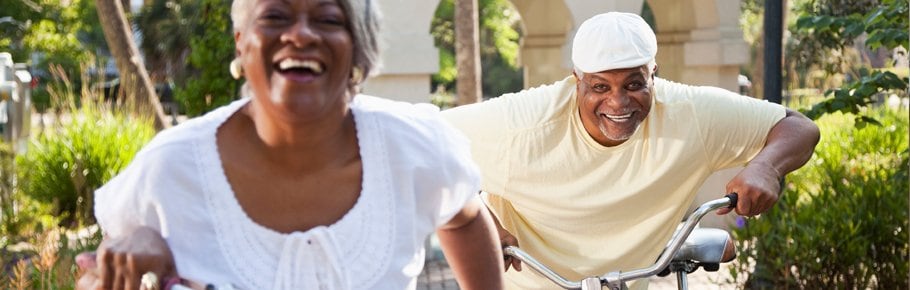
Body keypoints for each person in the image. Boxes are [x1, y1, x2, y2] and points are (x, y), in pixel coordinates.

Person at [75, 0, 504, 289]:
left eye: (329, 19)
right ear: (241, 44)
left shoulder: (414, 148)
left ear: (359, 50)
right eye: (276, 16)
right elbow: (101, 272)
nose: (301, 35)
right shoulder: (169, 171)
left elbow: (465, 217)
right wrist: (129, 252)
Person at [440, 12, 820, 289]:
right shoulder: (521, 125)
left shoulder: (690, 113)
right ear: (577, 80)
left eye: (634, 84)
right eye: (600, 87)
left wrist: (766, 167)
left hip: (629, 280)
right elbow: (427, 146)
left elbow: (798, 127)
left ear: (654, 73)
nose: (618, 103)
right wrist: (480, 216)